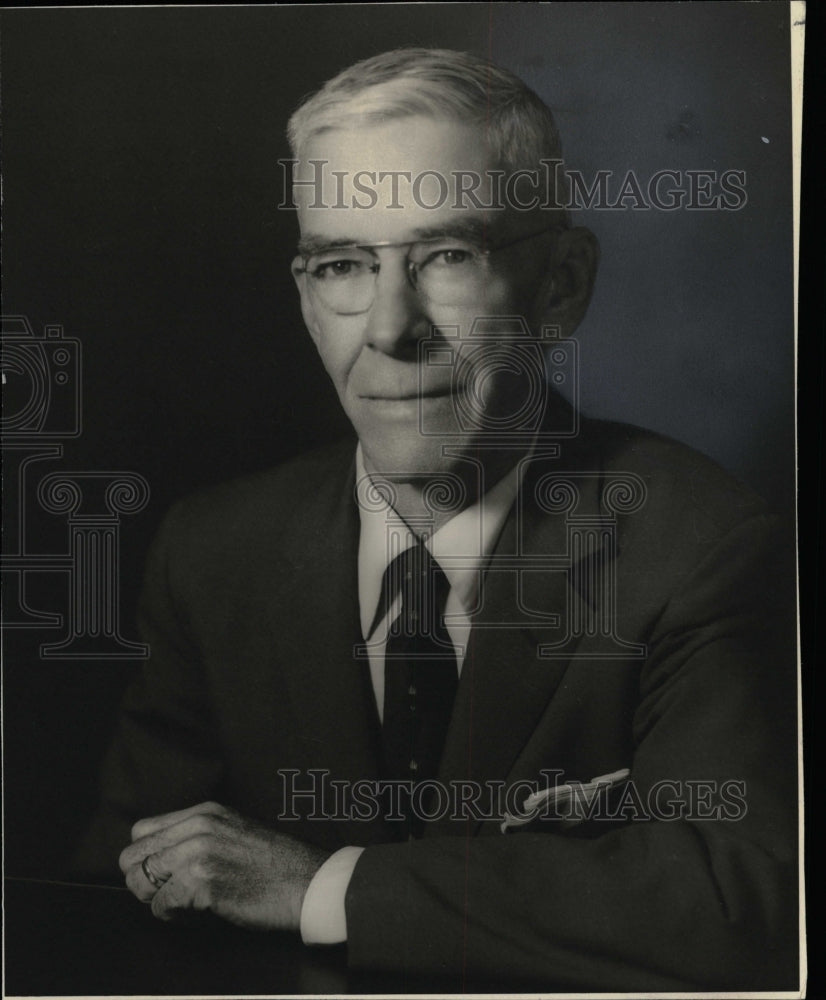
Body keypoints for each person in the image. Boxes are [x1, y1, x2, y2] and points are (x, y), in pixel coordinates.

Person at [74, 48, 798, 992]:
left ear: (562, 285)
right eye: (343, 265)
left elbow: (739, 899)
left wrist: (327, 889)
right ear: (305, 298)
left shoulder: (701, 548)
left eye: (447, 255)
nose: (388, 327)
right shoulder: (215, 551)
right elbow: (109, 903)